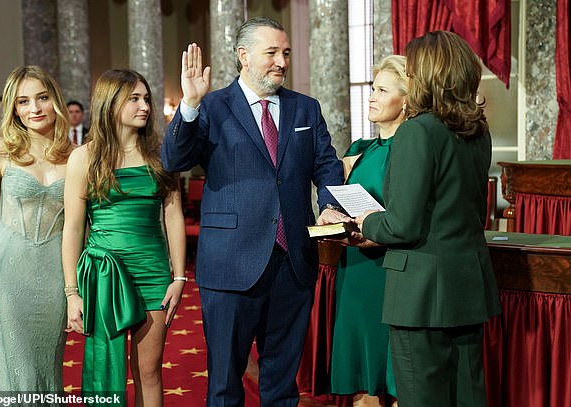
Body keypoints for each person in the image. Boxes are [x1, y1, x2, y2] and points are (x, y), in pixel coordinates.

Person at [161, 16, 346, 407]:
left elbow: (327, 165)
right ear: (243, 56)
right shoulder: (211, 106)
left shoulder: (305, 109)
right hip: (230, 266)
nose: (281, 61)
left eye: (286, 53)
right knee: (226, 386)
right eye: (272, 53)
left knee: (281, 385)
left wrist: (329, 205)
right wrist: (189, 104)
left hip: (293, 263)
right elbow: (174, 160)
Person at [354, 31, 501, 407]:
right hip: (468, 287)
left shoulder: (417, 132)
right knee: (467, 398)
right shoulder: (477, 131)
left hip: (420, 296)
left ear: (430, 75)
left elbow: (401, 225)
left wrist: (365, 221)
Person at [62, 68, 186, 407]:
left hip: (153, 274)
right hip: (104, 276)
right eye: (134, 98)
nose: (144, 106)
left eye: (146, 98)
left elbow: (173, 216)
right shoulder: (83, 158)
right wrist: (72, 292)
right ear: (110, 103)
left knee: (149, 370)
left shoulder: (161, 156)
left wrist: (178, 277)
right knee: (106, 375)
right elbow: (72, 228)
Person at [0, 65, 73, 394]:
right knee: (19, 373)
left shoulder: (76, 157)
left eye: (42, 98)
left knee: (50, 370)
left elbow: (79, 227)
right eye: (23, 102)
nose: (35, 109)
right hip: (7, 276)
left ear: (55, 101)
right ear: (14, 109)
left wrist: (75, 290)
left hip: (56, 279)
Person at [329, 55, 406, 407]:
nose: (371, 96)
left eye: (382, 90)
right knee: (364, 383)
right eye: (372, 89)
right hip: (355, 267)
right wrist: (331, 214)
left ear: (407, 99)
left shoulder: (411, 151)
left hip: (390, 271)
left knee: (394, 377)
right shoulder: (361, 150)